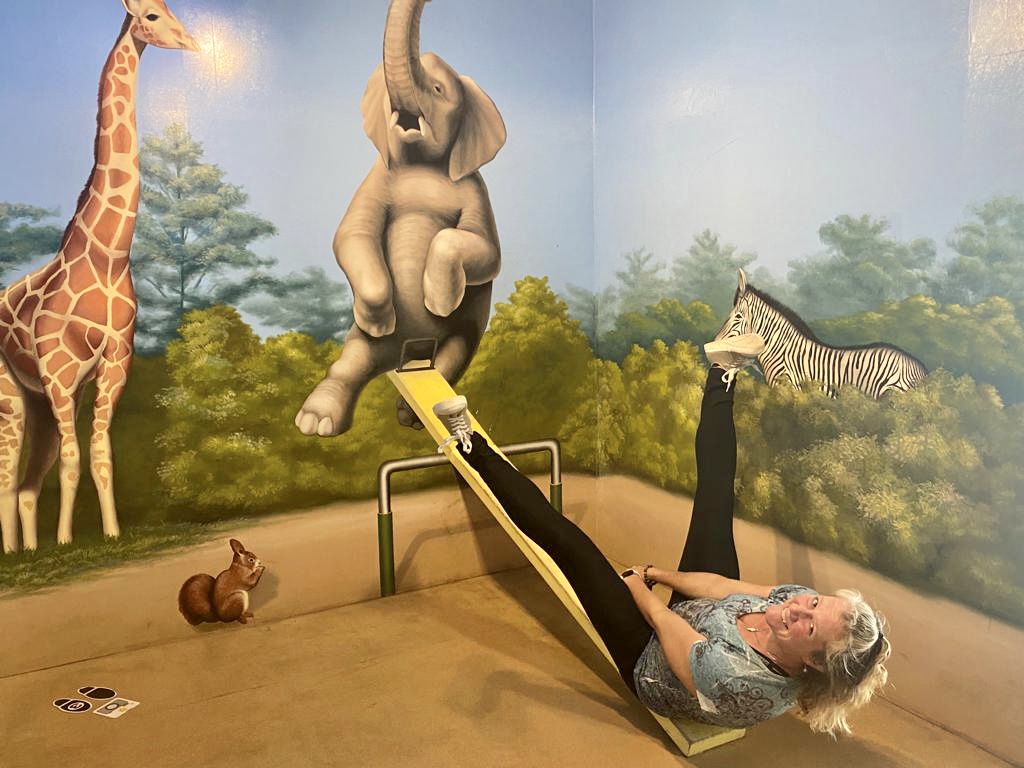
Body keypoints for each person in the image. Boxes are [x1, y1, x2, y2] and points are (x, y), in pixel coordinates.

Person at [431, 333, 891, 736]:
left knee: (571, 547)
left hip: (653, 660)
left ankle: (471, 448)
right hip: (705, 616)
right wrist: (658, 573)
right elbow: (722, 588)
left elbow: (665, 626)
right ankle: (722, 371)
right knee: (715, 499)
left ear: (813, 662)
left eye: (809, 624)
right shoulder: (795, 603)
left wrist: (637, 589)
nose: (798, 607)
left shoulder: (743, 683)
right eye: (815, 602)